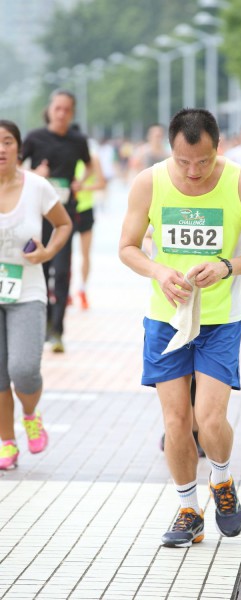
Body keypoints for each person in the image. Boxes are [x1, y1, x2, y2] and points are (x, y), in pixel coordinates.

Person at [119, 108, 241, 548]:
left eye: (203, 161)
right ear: (170, 148)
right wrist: (158, 271)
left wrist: (227, 265)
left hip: (220, 321)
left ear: (218, 146)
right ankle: (189, 510)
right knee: (176, 421)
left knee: (209, 419)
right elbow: (127, 247)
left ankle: (221, 480)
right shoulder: (149, 182)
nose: (193, 171)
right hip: (166, 319)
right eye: (183, 161)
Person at [0, 120, 72, 470]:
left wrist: (48, 253)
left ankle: (30, 414)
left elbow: (63, 224)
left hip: (27, 291)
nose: (1, 149)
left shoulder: (36, 186)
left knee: (24, 369)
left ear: (18, 147)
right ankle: (6, 442)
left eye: (7, 141)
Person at [22, 90, 93, 352]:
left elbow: (90, 165)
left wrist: (80, 182)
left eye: (67, 109)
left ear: (72, 112)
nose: (61, 114)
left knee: (62, 273)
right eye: (57, 108)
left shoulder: (78, 140)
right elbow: (15, 169)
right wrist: (35, 173)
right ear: (49, 110)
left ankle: (58, 331)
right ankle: (43, 325)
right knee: (40, 270)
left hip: (65, 216)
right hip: (36, 217)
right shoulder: (34, 137)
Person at [74, 153, 106, 309]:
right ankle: (65, 292)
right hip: (67, 209)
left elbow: (102, 183)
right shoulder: (66, 154)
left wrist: (83, 187)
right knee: (64, 255)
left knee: (85, 254)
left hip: (86, 209)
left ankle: (82, 289)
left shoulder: (93, 158)